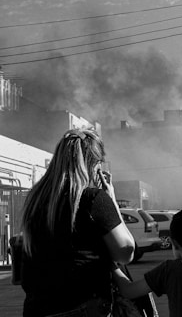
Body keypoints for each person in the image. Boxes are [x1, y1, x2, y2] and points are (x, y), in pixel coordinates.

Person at [20, 128, 135, 317]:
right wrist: (112, 202)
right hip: (84, 306)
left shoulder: (35, 200)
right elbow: (126, 252)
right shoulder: (93, 199)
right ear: (93, 163)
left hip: (38, 308)